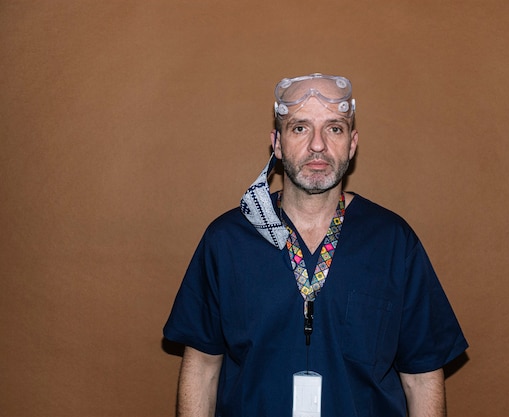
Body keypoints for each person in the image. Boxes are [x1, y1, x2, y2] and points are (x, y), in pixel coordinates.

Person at [163, 73, 468, 417]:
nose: (318, 145)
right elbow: (202, 369)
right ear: (277, 144)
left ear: (352, 144)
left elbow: (422, 379)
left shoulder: (394, 242)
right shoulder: (227, 240)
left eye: (334, 128)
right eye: (300, 128)